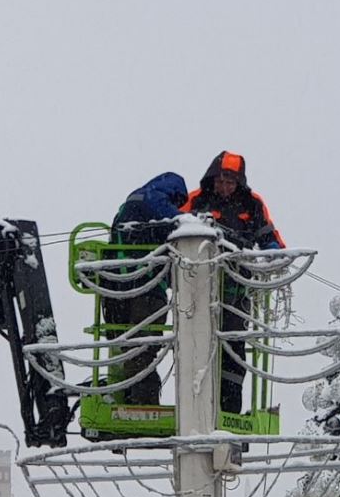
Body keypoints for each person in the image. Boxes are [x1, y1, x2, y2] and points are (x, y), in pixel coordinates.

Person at [180, 151, 284, 413]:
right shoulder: (196, 201)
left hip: (236, 289)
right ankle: (195, 407)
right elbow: (174, 230)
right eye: (221, 180)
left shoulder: (252, 204)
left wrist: (274, 254)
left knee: (233, 347)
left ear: (239, 183)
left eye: (230, 182)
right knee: (195, 346)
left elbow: (270, 238)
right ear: (212, 178)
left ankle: (229, 409)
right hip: (196, 289)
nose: (224, 187)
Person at [101, 172, 188, 405]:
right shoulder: (154, 198)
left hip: (116, 288)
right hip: (146, 288)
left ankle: (127, 394)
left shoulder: (128, 204)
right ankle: (143, 399)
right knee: (144, 343)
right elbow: (184, 225)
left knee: (126, 342)